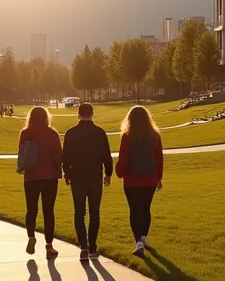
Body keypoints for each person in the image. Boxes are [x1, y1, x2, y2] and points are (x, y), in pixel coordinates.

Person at [62, 103, 113, 262]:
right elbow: (106, 155)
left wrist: (68, 174)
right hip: (94, 177)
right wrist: (108, 173)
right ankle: (92, 246)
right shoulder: (99, 133)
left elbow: (65, 157)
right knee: (94, 212)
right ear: (92, 114)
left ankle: (83, 246)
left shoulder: (70, 133)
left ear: (78, 114)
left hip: (77, 177)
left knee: (79, 212)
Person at [115, 105, 164, 257]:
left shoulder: (127, 136)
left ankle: (138, 242)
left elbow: (124, 157)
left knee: (134, 210)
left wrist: (119, 172)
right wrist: (159, 177)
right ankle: (143, 238)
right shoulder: (155, 135)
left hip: (132, 181)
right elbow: (159, 158)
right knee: (145, 209)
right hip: (149, 179)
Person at [18, 106, 63, 259]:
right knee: (48, 211)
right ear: (46, 117)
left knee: (31, 210)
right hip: (49, 177)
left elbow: (22, 154)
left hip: (31, 177)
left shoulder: (25, 133)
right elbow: (58, 155)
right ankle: (49, 246)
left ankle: (31, 236)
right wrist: (60, 171)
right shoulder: (52, 133)